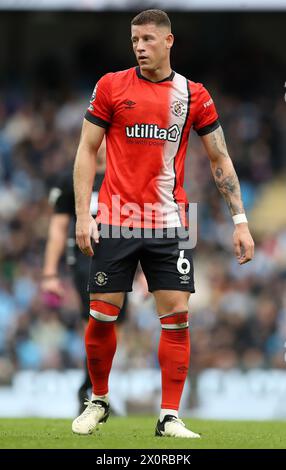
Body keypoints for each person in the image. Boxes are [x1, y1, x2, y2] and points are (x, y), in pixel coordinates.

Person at [72, 9, 255, 438]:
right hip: (116, 217)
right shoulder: (110, 86)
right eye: (135, 39)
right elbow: (85, 149)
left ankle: (169, 416)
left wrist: (240, 221)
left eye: (148, 39)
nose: (139, 47)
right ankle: (98, 400)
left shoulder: (193, 95)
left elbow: (220, 158)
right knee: (101, 316)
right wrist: (84, 213)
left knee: (176, 317)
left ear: (169, 41)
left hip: (172, 220)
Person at [41, 140, 112, 413]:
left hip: (122, 259)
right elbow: (58, 228)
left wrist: (143, 272)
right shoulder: (73, 177)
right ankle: (90, 393)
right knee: (95, 324)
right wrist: (49, 273)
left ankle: (95, 392)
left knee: (112, 329)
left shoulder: (124, 174)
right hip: (86, 259)